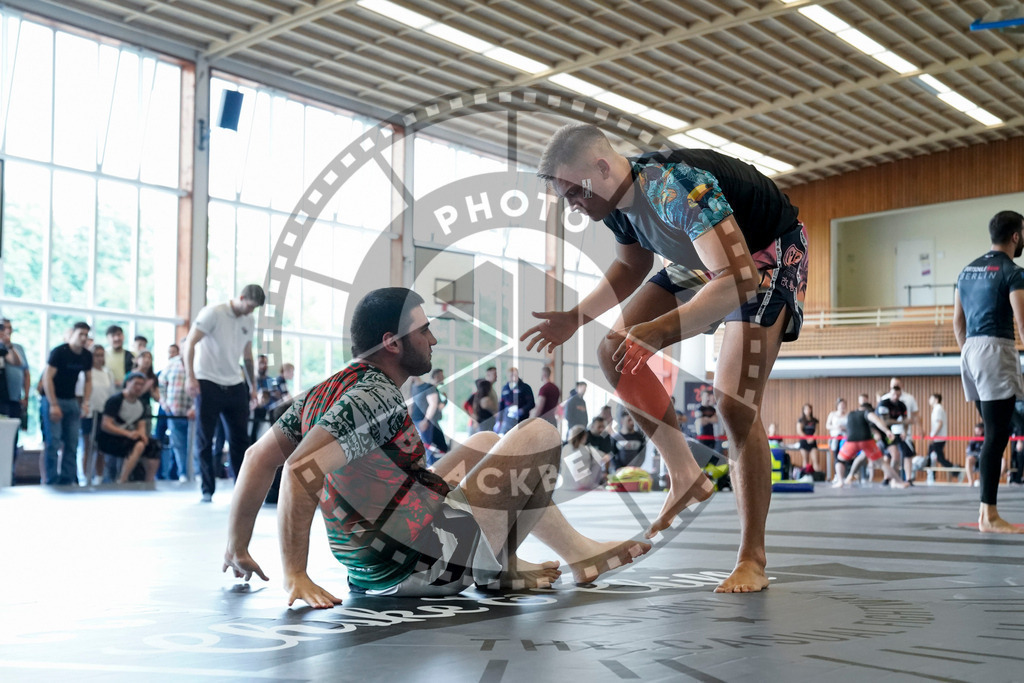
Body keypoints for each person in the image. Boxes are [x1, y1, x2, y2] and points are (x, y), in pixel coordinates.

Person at [222, 288, 651, 604]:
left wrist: (237, 546)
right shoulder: (377, 397)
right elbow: (301, 469)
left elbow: (256, 458)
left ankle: (525, 562)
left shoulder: (328, 388)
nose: (433, 340)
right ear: (392, 342)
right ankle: (526, 564)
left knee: (485, 442)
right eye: (424, 330)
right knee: (540, 435)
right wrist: (295, 573)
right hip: (422, 564)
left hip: (376, 567)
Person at [524, 123, 810, 592]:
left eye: (575, 191)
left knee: (734, 403)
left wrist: (660, 330)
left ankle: (752, 558)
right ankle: (683, 472)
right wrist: (576, 317)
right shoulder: (614, 205)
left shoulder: (674, 186)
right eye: (565, 196)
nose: (573, 204)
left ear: (602, 167)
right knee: (613, 351)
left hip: (765, 254)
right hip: (708, 261)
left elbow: (738, 279)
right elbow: (630, 265)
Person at [953, 210, 1024, 533]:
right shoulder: (1013, 272)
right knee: (996, 435)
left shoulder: (966, 271)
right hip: (996, 349)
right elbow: (1022, 322)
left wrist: (970, 352)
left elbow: (958, 323)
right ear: (1015, 236)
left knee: (996, 433)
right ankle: (989, 516)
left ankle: (987, 513)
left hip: (970, 351)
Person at [184, 283, 265, 502]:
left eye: (254, 308)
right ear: (241, 297)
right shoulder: (213, 313)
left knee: (240, 440)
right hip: (207, 380)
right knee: (205, 438)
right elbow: (190, 343)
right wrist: (190, 376)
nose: (250, 311)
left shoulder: (249, 320)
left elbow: (247, 355)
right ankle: (207, 489)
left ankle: (242, 489)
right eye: (249, 306)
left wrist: (253, 387)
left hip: (235, 382)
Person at [41, 322, 92, 485]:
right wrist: (53, 404)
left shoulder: (86, 355)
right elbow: (47, 377)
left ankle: (67, 479)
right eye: (80, 334)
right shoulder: (60, 352)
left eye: (86, 335)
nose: (83, 338)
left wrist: (86, 402)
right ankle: (51, 479)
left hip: (72, 400)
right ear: (72, 334)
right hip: (53, 399)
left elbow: (89, 380)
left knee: (72, 442)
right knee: (53, 442)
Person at [97, 372, 162, 483]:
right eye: (136, 384)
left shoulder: (141, 404)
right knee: (139, 445)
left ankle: (149, 481)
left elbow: (141, 425)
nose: (139, 387)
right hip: (111, 437)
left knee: (153, 446)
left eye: (141, 385)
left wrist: (142, 435)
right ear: (128, 383)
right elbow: (106, 424)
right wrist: (127, 433)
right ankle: (123, 479)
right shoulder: (115, 400)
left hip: (131, 437)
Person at [835, 398, 909, 489]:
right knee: (882, 463)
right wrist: (887, 431)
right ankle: (899, 481)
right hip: (866, 441)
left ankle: (840, 481)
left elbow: (848, 427)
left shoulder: (850, 414)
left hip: (851, 441)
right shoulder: (867, 412)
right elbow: (877, 421)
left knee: (840, 460)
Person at [81, 345, 116, 484]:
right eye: (96, 355)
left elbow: (111, 393)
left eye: (102, 355)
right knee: (88, 445)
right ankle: (85, 476)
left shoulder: (108, 373)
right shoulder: (86, 372)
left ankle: (99, 476)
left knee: (101, 447)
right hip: (89, 413)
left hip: (103, 413)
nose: (99, 358)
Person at [159, 339, 193, 482]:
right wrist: (164, 403)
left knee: (194, 445)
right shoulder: (172, 364)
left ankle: (195, 474)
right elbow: (161, 383)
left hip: (193, 414)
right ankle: (183, 473)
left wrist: (195, 408)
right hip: (174, 412)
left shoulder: (199, 363)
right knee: (178, 445)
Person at [0, 318, 29, 470]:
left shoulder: (15, 348)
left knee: (12, 438)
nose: (6, 331)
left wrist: (8, 345)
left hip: (14, 399)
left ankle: (9, 473)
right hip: (2, 399)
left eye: (9, 327)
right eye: (3, 328)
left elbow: (19, 364)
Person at [411, 367, 449, 463]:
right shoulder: (428, 388)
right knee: (433, 448)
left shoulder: (428, 388)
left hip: (427, 422)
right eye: (442, 376)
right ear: (436, 376)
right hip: (426, 422)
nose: (444, 377)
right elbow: (436, 406)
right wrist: (445, 400)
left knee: (435, 448)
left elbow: (436, 406)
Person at [876, 386, 912, 483]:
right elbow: (885, 421)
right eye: (893, 394)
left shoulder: (902, 405)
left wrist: (905, 431)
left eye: (898, 395)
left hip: (888, 432)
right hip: (878, 431)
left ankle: (889, 478)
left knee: (894, 455)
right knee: (891, 455)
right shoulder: (884, 403)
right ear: (890, 394)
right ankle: (892, 479)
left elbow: (906, 421)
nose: (895, 397)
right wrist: (901, 422)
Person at [560, 424, 608, 490]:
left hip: (565, 485)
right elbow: (605, 457)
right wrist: (605, 472)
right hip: (583, 485)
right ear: (584, 437)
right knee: (598, 460)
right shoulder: (587, 450)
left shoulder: (565, 448)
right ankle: (596, 483)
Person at [496, 367, 535, 435]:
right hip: (508, 421)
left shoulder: (525, 387)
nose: (512, 378)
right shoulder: (505, 388)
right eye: (510, 376)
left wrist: (522, 410)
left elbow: (531, 403)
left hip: (522, 421)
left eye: (514, 375)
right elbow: (501, 406)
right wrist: (499, 421)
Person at [927, 393, 954, 469]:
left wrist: (933, 436)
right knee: (932, 457)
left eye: (931, 398)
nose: (929, 400)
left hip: (938, 438)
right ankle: (932, 474)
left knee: (938, 457)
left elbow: (939, 423)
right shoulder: (937, 409)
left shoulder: (938, 409)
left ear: (936, 400)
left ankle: (955, 470)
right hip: (938, 437)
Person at [825, 398, 848, 481]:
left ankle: (844, 475)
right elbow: (827, 426)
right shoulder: (832, 414)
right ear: (837, 406)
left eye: (844, 405)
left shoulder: (847, 415)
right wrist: (836, 427)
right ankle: (837, 475)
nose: (842, 406)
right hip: (835, 437)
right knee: (836, 456)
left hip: (845, 438)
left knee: (845, 456)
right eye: (841, 404)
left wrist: (844, 428)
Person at [796, 403, 820, 475]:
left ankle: (817, 477)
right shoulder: (800, 420)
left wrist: (812, 438)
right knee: (805, 460)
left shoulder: (815, 420)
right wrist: (807, 438)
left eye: (809, 409)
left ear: (811, 410)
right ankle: (805, 476)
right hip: (804, 441)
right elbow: (799, 431)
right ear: (803, 410)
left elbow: (817, 431)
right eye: (806, 409)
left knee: (815, 460)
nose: (807, 410)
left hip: (813, 442)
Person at [964, 423, 984, 487]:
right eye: (977, 430)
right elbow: (968, 451)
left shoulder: (987, 439)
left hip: (986, 458)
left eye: (980, 430)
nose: (978, 432)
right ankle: (971, 481)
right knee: (968, 459)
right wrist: (978, 455)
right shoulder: (973, 440)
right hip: (976, 458)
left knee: (1003, 461)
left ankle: (985, 481)